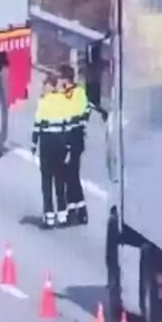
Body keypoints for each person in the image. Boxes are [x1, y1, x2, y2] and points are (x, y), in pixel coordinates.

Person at [31, 72, 70, 229]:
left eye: (44, 85)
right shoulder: (63, 101)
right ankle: (62, 215)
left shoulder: (43, 102)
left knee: (46, 182)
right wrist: (68, 147)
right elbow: (67, 125)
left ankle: (49, 217)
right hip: (60, 143)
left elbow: (37, 125)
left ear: (50, 86)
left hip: (47, 143)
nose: (43, 88)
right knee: (60, 180)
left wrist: (33, 145)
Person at [59, 64, 90, 225]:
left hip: (74, 141)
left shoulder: (76, 94)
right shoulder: (69, 94)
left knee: (72, 176)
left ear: (66, 79)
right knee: (68, 176)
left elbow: (76, 117)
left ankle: (80, 211)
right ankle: (74, 209)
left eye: (61, 78)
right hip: (68, 141)